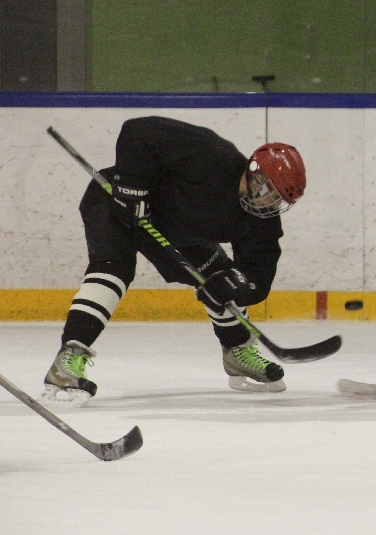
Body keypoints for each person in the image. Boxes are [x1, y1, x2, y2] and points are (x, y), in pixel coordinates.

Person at [41, 116, 306, 405]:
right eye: (269, 193)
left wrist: (236, 284)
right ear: (255, 173)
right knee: (112, 270)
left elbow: (258, 273)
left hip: (174, 229)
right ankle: (67, 360)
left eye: (279, 201)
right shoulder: (211, 153)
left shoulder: (262, 219)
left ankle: (237, 352)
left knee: (220, 276)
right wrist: (132, 190)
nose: (270, 205)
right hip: (119, 204)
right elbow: (137, 131)